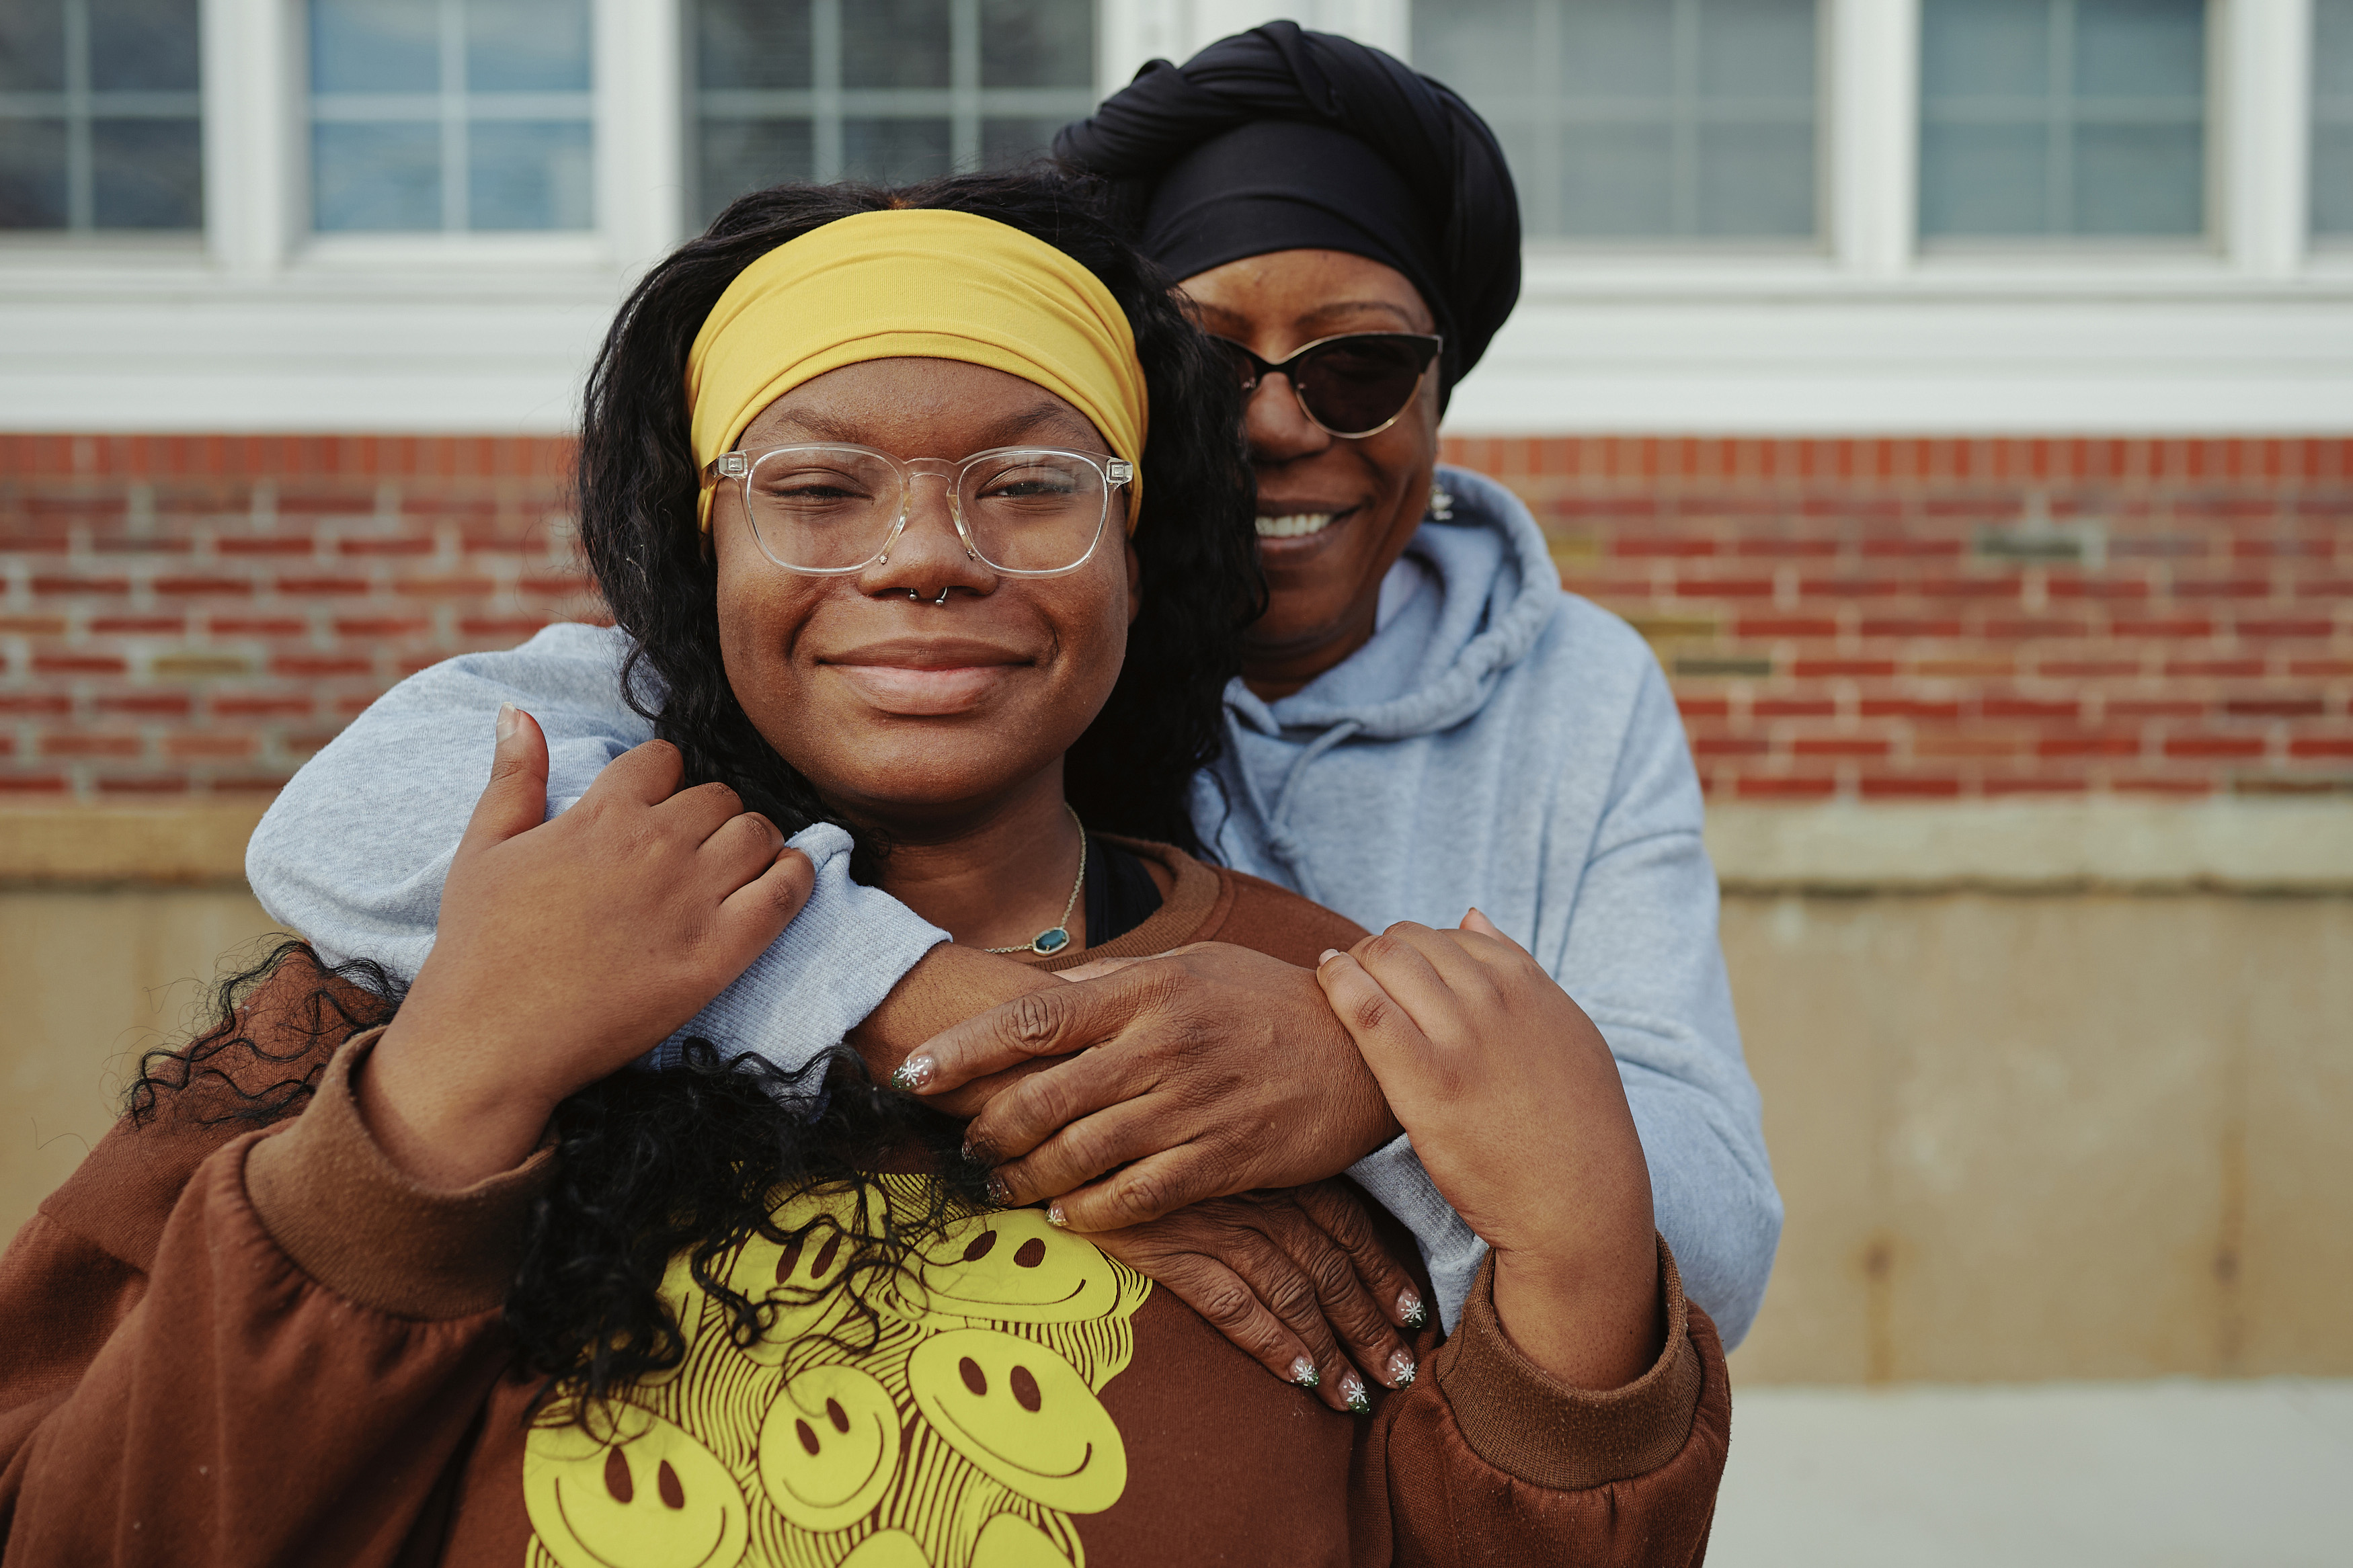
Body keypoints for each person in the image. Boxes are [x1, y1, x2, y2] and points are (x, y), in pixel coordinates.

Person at [0, 173, 1724, 1567]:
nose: (924, 561)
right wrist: (447, 1096)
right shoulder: (449, 969)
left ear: (1137, 550)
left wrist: (1582, 1261)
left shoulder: (1290, 1044)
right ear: (704, 549)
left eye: (1030, 488)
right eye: (818, 491)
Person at [246, 23, 1779, 1350]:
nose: (1273, 428)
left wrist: (1364, 1075)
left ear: (1443, 393)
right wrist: (934, 1013)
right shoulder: (931, 661)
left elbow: (1704, 1245)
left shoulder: (1575, 697)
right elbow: (367, 813)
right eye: (1201, 363)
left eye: (1358, 367)